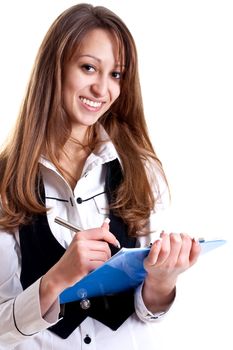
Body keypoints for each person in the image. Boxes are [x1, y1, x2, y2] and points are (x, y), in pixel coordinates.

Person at [0, 3, 201, 349]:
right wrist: (55, 280)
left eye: (116, 74)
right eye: (89, 68)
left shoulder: (141, 169)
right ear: (55, 68)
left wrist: (162, 283)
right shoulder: (6, 181)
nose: (102, 89)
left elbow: (147, 310)